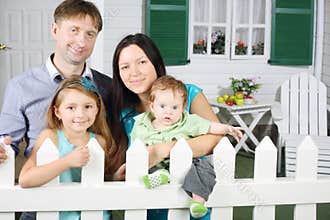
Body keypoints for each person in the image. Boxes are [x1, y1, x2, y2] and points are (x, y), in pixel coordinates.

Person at [0, 1, 112, 219]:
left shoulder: (107, 87)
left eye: (90, 34)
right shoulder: (21, 86)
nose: (81, 41)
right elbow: (6, 141)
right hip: (40, 199)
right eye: (74, 30)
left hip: (90, 204)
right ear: (55, 30)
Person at [109, 33, 227, 220]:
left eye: (141, 62)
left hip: (188, 201)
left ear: (156, 63)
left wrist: (163, 149)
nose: (134, 72)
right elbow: (118, 159)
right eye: (125, 67)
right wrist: (120, 174)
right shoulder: (125, 113)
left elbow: (215, 138)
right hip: (148, 205)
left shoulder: (188, 94)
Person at [130, 75, 242, 218]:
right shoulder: (141, 125)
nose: (168, 111)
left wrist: (227, 129)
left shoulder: (187, 121)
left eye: (175, 107)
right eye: (162, 106)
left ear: (183, 108)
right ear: (152, 106)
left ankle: (198, 201)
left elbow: (209, 126)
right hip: (156, 164)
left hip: (186, 165)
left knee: (204, 168)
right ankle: (161, 175)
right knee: (145, 167)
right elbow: (134, 151)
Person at [19, 76, 112, 220]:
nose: (80, 114)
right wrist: (67, 161)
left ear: (97, 110)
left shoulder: (100, 141)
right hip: (56, 214)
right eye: (71, 108)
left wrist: (116, 177)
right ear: (58, 112)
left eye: (88, 106)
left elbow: (99, 179)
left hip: (92, 214)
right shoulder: (50, 137)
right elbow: (25, 180)